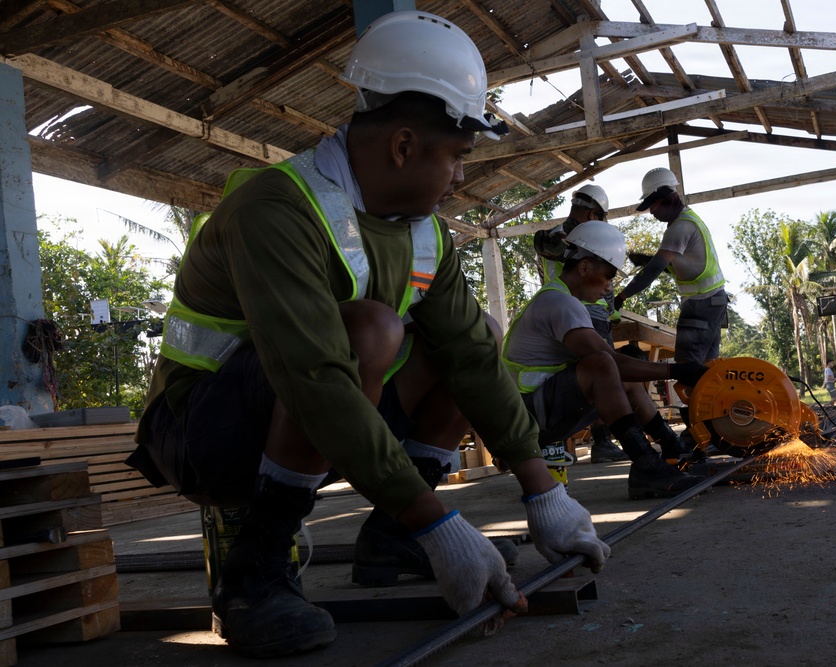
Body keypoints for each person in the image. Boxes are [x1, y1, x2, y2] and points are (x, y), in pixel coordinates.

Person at [125, 11, 609, 658]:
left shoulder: (425, 233)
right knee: (371, 329)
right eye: (457, 157)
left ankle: (391, 535)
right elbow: (314, 375)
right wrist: (443, 527)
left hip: (311, 415)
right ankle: (257, 570)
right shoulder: (278, 207)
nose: (462, 176)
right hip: (200, 433)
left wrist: (542, 492)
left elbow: (469, 357)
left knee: (477, 334)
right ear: (403, 147)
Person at [503, 221, 710, 499]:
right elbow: (609, 362)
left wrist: (673, 369)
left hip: (536, 409)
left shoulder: (563, 299)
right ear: (585, 267)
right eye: (608, 275)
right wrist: (677, 369)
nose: (609, 287)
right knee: (603, 365)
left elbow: (618, 364)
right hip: (525, 419)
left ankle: (672, 451)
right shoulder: (560, 303)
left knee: (616, 367)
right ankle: (647, 466)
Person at [613, 167, 728, 442]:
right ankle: (720, 426)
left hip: (699, 306)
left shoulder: (679, 227)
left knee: (687, 370)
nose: (651, 212)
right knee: (708, 368)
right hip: (715, 301)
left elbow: (652, 272)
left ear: (668, 197)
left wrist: (621, 297)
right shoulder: (690, 220)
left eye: (653, 205)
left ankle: (696, 434)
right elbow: (689, 266)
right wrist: (656, 263)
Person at [533, 184, 628, 464]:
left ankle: (556, 443)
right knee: (606, 374)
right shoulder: (572, 238)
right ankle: (602, 442)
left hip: (564, 310)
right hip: (584, 312)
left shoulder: (556, 237)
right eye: (599, 217)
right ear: (592, 213)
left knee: (566, 378)